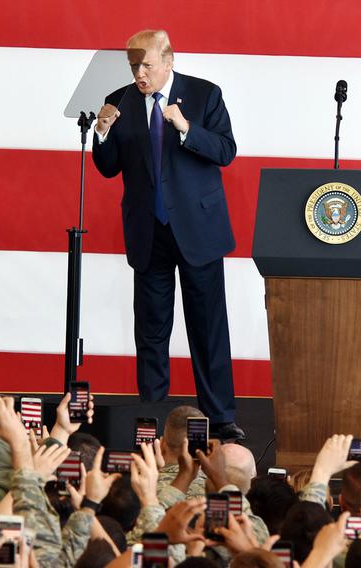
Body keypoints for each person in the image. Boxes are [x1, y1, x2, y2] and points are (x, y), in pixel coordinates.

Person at [92, 29, 243, 440]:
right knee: (152, 328)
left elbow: (226, 151)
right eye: (134, 66)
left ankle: (221, 415)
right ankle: (152, 416)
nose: (140, 74)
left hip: (198, 229)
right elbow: (108, 168)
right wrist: (102, 134)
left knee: (208, 326)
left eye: (147, 66)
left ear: (169, 60)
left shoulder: (205, 94)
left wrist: (186, 127)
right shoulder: (120, 99)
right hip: (148, 230)